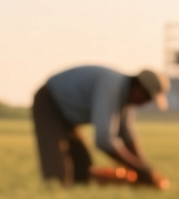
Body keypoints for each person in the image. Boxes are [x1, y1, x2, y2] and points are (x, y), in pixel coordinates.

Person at [32, 66, 169, 188]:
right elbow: (104, 139)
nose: (145, 103)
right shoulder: (111, 86)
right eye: (146, 97)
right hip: (49, 104)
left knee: (82, 168)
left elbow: (126, 134)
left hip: (68, 117)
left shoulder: (125, 98)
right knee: (56, 176)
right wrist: (139, 169)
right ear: (138, 87)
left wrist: (143, 167)